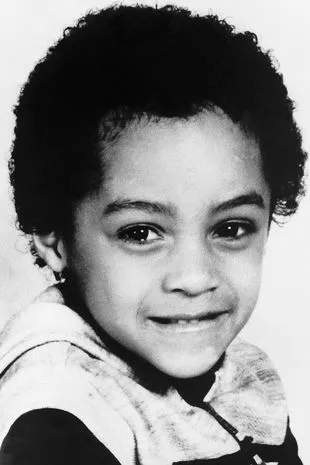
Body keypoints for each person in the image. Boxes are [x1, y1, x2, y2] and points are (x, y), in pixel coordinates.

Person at [0, 4, 306, 464]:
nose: (195, 277)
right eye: (141, 233)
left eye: (230, 228)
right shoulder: (58, 413)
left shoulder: (242, 377)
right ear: (53, 237)